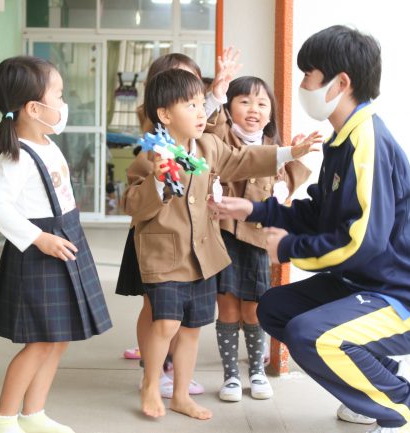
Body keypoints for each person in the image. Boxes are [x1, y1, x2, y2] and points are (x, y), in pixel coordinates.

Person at [208, 25, 410, 433]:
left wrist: (287, 249)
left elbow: (362, 241)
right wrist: (255, 209)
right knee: (275, 309)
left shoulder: (368, 142)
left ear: (341, 83)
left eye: (309, 74)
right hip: (367, 285)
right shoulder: (344, 139)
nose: (303, 84)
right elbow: (318, 214)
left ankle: (405, 407)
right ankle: (390, 381)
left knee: (312, 334)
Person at [123, 68, 316, 420]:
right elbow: (131, 204)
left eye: (203, 104)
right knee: (165, 324)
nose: (201, 113)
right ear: (165, 114)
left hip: (203, 256)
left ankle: (180, 395)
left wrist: (290, 153)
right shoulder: (150, 156)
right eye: (191, 106)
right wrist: (157, 181)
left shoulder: (209, 146)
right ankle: (151, 384)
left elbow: (244, 160)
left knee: (192, 328)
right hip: (164, 256)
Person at [0, 55, 112, 433]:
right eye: (59, 94)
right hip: (39, 253)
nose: (64, 103)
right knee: (39, 341)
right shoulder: (18, 156)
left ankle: (33, 413)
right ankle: (3, 417)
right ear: (34, 108)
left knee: (58, 339)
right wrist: (38, 238)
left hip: (64, 242)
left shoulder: (47, 145)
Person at [116, 49, 241, 398]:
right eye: (181, 85)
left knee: (182, 318)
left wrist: (217, 95)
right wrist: (213, 98)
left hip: (190, 231)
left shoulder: (201, 122)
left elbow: (208, 131)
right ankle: (153, 372)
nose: (197, 104)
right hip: (154, 232)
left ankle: (171, 374)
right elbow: (170, 144)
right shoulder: (155, 129)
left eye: (195, 82)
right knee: (155, 307)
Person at [207, 76, 320, 402]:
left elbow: (286, 190)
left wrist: (295, 156)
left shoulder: (276, 148)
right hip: (225, 234)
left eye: (261, 103)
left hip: (256, 239)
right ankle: (231, 376)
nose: (253, 109)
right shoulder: (221, 137)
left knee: (254, 308)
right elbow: (210, 129)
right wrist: (216, 95)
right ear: (229, 108)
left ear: (271, 113)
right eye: (244, 101)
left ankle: (256, 370)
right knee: (227, 306)